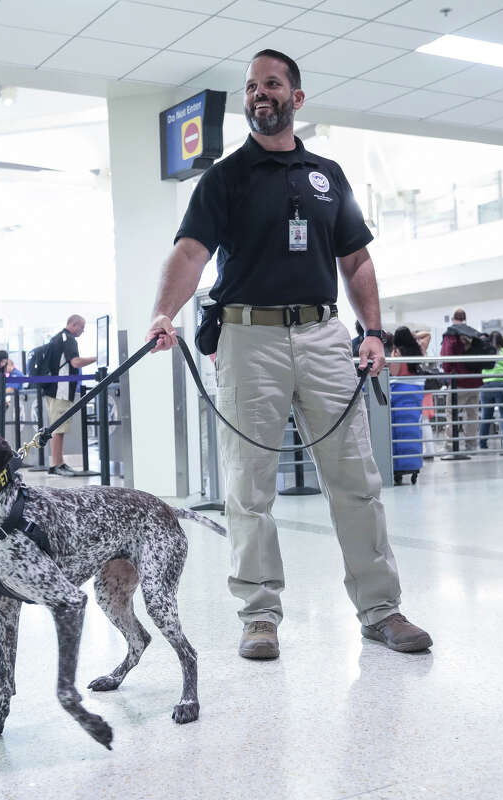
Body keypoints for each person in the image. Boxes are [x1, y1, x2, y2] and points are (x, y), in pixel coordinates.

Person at [146, 49, 432, 659]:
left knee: (356, 479)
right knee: (249, 486)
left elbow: (355, 260)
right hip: (249, 338)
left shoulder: (328, 175)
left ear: (296, 98)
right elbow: (192, 253)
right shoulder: (224, 177)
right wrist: (163, 312)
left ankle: (381, 610)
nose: (259, 94)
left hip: (326, 337)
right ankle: (259, 615)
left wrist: (374, 331)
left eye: (271, 84)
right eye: (251, 86)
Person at [42, 315, 96, 476]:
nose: (83, 331)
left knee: (57, 427)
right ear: (74, 324)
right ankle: (57, 464)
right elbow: (76, 362)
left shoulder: (57, 338)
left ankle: (58, 462)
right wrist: (97, 358)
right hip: (61, 389)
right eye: (82, 327)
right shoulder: (69, 339)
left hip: (52, 389)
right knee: (59, 428)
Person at [440, 309, 483, 452]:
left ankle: (451, 445)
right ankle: (471, 445)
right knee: (472, 415)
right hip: (475, 381)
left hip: (457, 381)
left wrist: (448, 373)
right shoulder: (474, 333)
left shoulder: (451, 334)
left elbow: (446, 358)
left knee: (452, 414)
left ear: (453, 318)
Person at [389, 327, 426, 484]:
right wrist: (415, 336)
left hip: (400, 390)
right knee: (413, 426)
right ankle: (413, 463)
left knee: (399, 428)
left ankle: (400, 464)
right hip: (416, 389)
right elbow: (428, 335)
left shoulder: (397, 352)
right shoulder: (418, 349)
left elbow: (394, 372)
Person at [479, 331, 503, 452]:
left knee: (486, 416)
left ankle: (482, 444)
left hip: (486, 386)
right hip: (501, 384)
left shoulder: (485, 352)